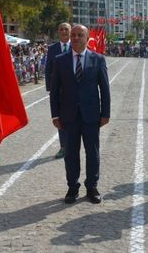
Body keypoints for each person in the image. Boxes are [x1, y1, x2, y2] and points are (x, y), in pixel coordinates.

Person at [49, 24, 110, 204]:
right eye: (73, 35)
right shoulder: (60, 60)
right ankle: (72, 187)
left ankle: (92, 187)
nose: (75, 38)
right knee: (71, 154)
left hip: (91, 115)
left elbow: (104, 88)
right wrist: (55, 115)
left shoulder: (98, 59)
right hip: (68, 116)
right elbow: (54, 91)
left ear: (87, 37)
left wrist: (105, 113)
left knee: (93, 152)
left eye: (80, 35)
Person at [45, 22, 71, 159]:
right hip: (59, 91)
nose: (63, 31)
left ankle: (75, 145)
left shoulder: (77, 45)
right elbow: (48, 69)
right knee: (60, 120)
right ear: (58, 32)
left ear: (70, 31)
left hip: (75, 91)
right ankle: (63, 147)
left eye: (66, 29)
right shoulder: (52, 49)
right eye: (61, 29)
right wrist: (50, 89)